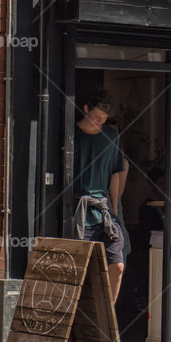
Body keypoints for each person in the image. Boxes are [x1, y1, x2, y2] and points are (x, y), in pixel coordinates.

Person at [72, 89, 126, 302]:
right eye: (96, 117)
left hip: (104, 213)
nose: (99, 122)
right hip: (78, 212)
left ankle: (109, 321)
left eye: (103, 120)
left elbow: (116, 174)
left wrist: (114, 209)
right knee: (79, 272)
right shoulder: (71, 134)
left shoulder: (111, 136)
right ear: (85, 109)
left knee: (117, 266)